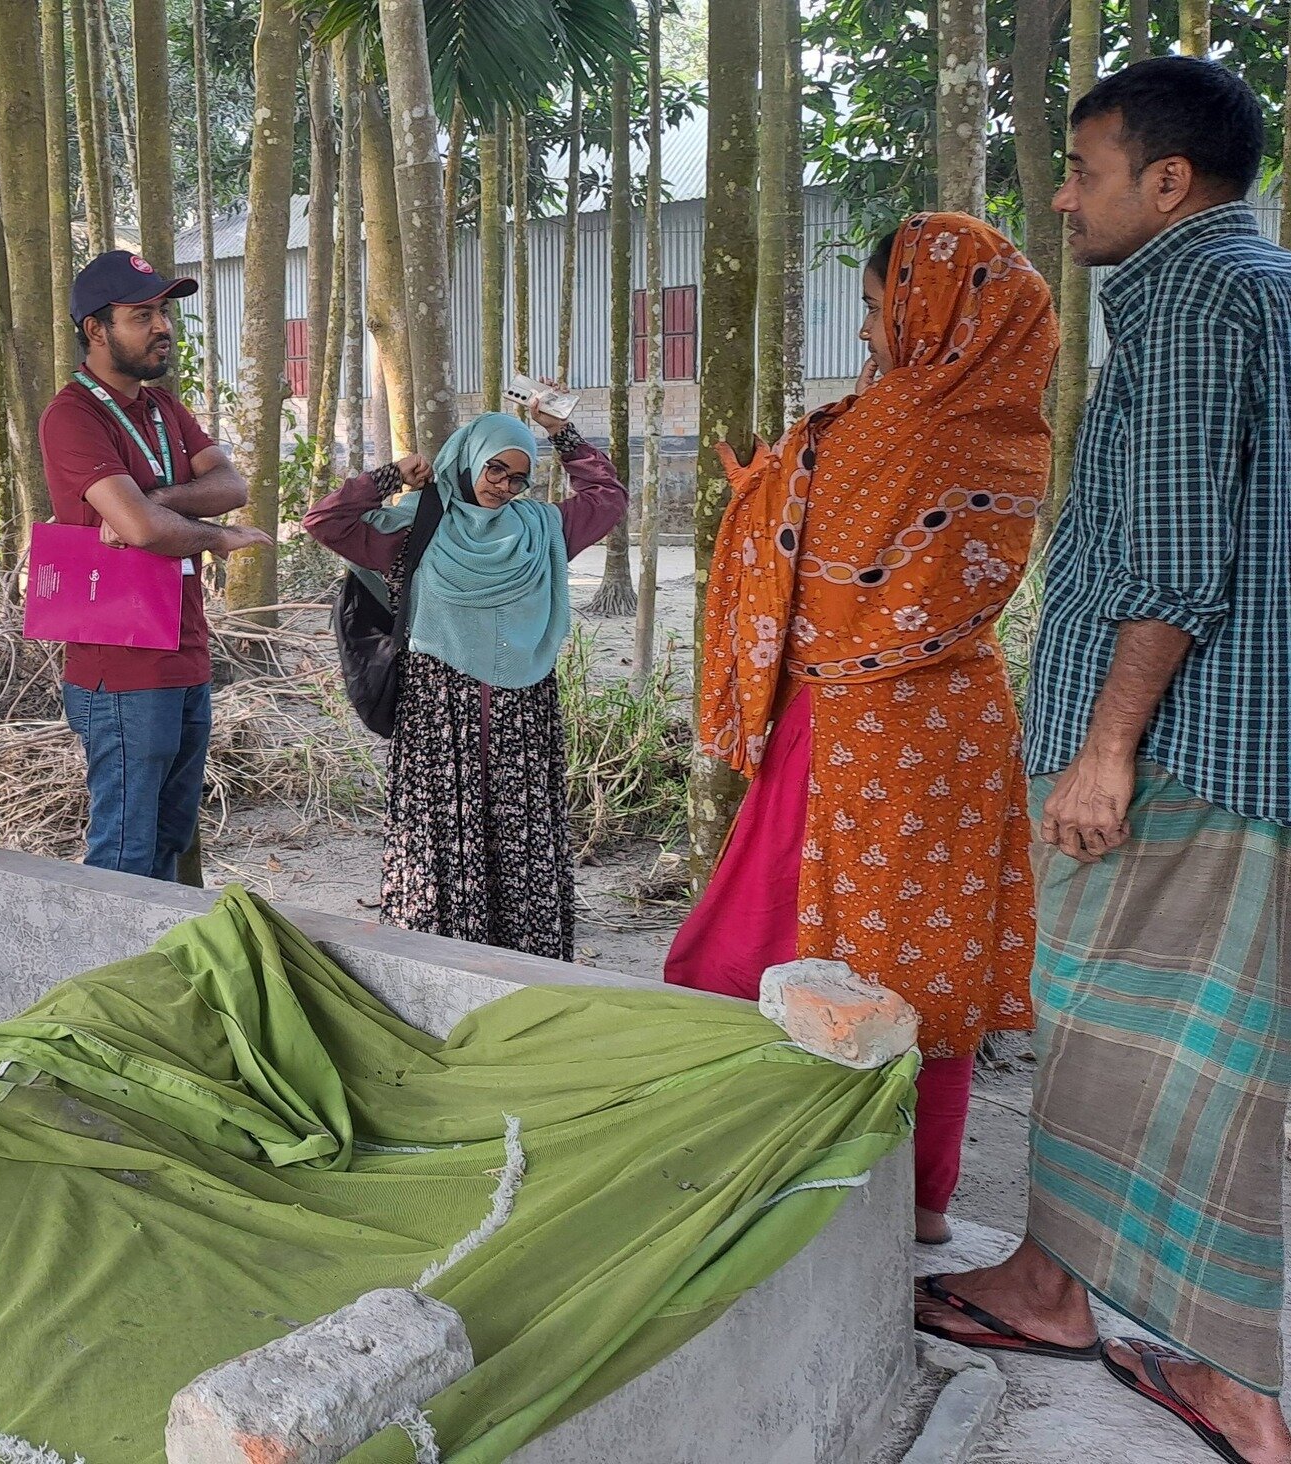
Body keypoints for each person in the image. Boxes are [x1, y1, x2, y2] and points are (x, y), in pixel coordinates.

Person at [917, 59, 1291, 1464]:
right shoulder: (1266, 288)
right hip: (1238, 745)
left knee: (1141, 1044)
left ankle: (1228, 1382)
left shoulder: (1197, 304)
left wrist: (1105, 753)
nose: (1063, 199)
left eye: (1084, 171)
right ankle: (1080, 1298)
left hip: (1180, 753)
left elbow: (1181, 564)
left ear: (1169, 183)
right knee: (1157, 1045)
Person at [663, 214, 1057, 1247]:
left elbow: (807, 579)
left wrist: (760, 498)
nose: (871, 334)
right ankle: (921, 1206)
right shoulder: (1008, 426)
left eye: (882, 308)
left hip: (850, 731)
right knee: (924, 963)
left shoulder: (877, 429)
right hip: (959, 728)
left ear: (928, 310)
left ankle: (794, 1184)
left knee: (782, 942)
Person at [302, 395, 627, 961]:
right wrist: (387, 475)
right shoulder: (418, 526)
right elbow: (326, 522)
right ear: (468, 459)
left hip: (521, 706)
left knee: (519, 830)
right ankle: (436, 957)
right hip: (438, 707)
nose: (502, 485)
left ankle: (525, 963)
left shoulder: (542, 530)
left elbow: (606, 499)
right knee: (440, 832)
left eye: (518, 478)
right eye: (494, 468)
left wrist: (563, 434)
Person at [38, 250, 269, 881]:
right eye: (142, 315)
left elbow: (231, 484)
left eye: (164, 311)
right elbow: (136, 529)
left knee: (171, 838)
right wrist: (212, 539)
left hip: (185, 650)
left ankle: (160, 970)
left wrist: (158, 502)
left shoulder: (164, 409)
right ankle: (115, 976)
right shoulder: (72, 415)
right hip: (121, 665)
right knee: (125, 852)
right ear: (95, 328)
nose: (163, 326)